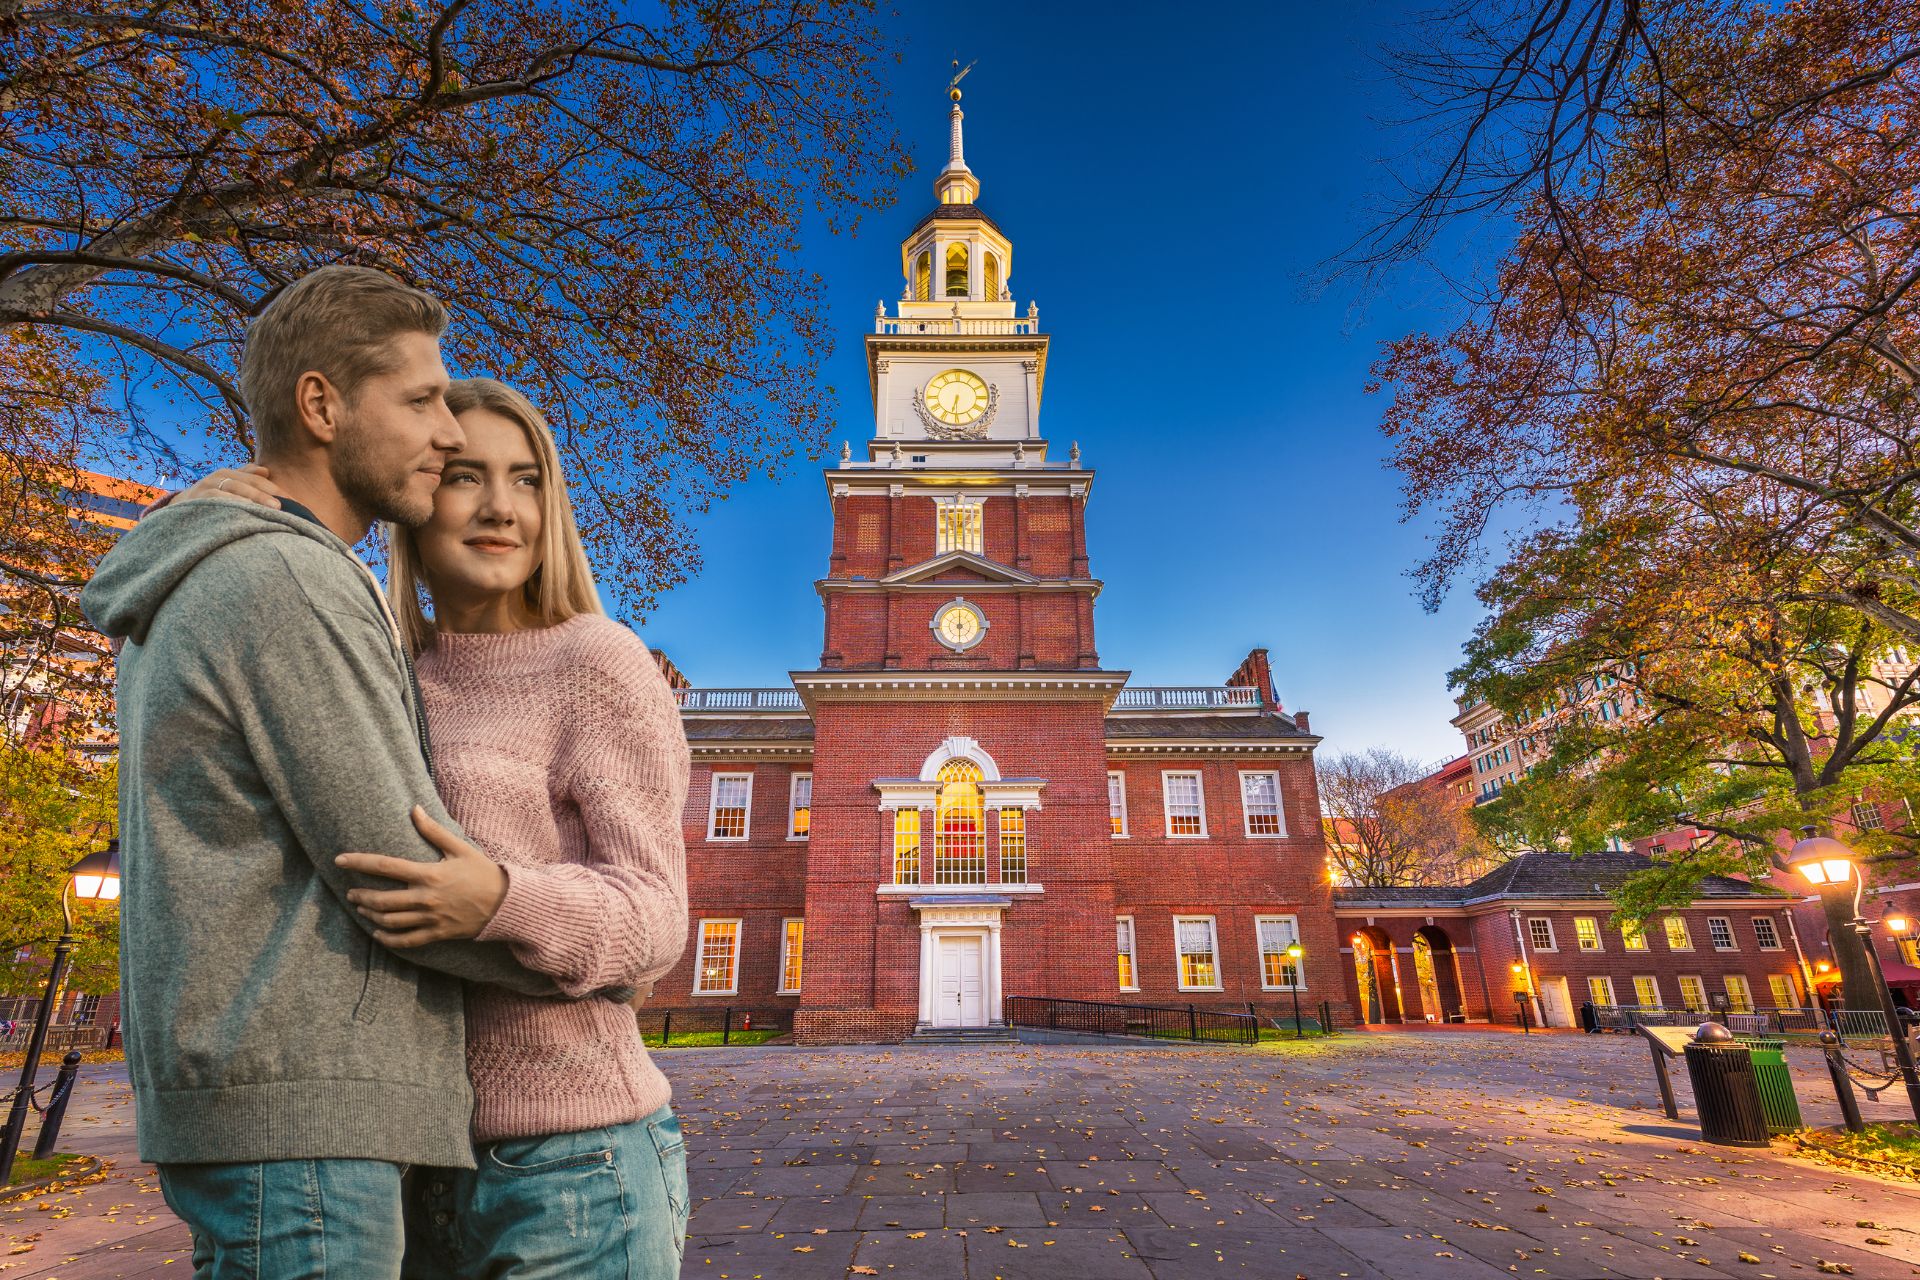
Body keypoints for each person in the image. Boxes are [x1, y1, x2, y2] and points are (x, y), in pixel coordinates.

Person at [81, 266, 581, 1278]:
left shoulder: (231, 565)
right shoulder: (290, 580)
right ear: (321, 405)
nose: (447, 434)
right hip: (304, 1111)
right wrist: (590, 951)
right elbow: (397, 861)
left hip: (274, 1102)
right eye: (421, 400)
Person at [177, 377, 692, 1279]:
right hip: (405, 1164)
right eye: (465, 477)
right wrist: (208, 522)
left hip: (575, 1163)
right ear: (413, 495)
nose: (501, 508)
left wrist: (501, 898)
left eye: (527, 480)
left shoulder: (595, 661)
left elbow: (656, 918)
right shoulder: (377, 664)